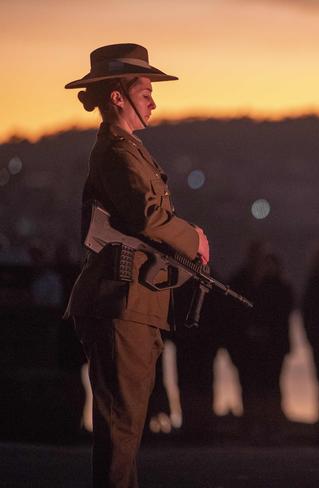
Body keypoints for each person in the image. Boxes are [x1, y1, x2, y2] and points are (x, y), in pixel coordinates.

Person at [63, 44, 210, 488]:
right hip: (119, 300)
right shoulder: (116, 150)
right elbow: (147, 216)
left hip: (135, 301)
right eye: (144, 90)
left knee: (126, 427)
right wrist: (196, 239)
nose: (153, 99)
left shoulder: (129, 149)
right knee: (121, 428)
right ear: (117, 96)